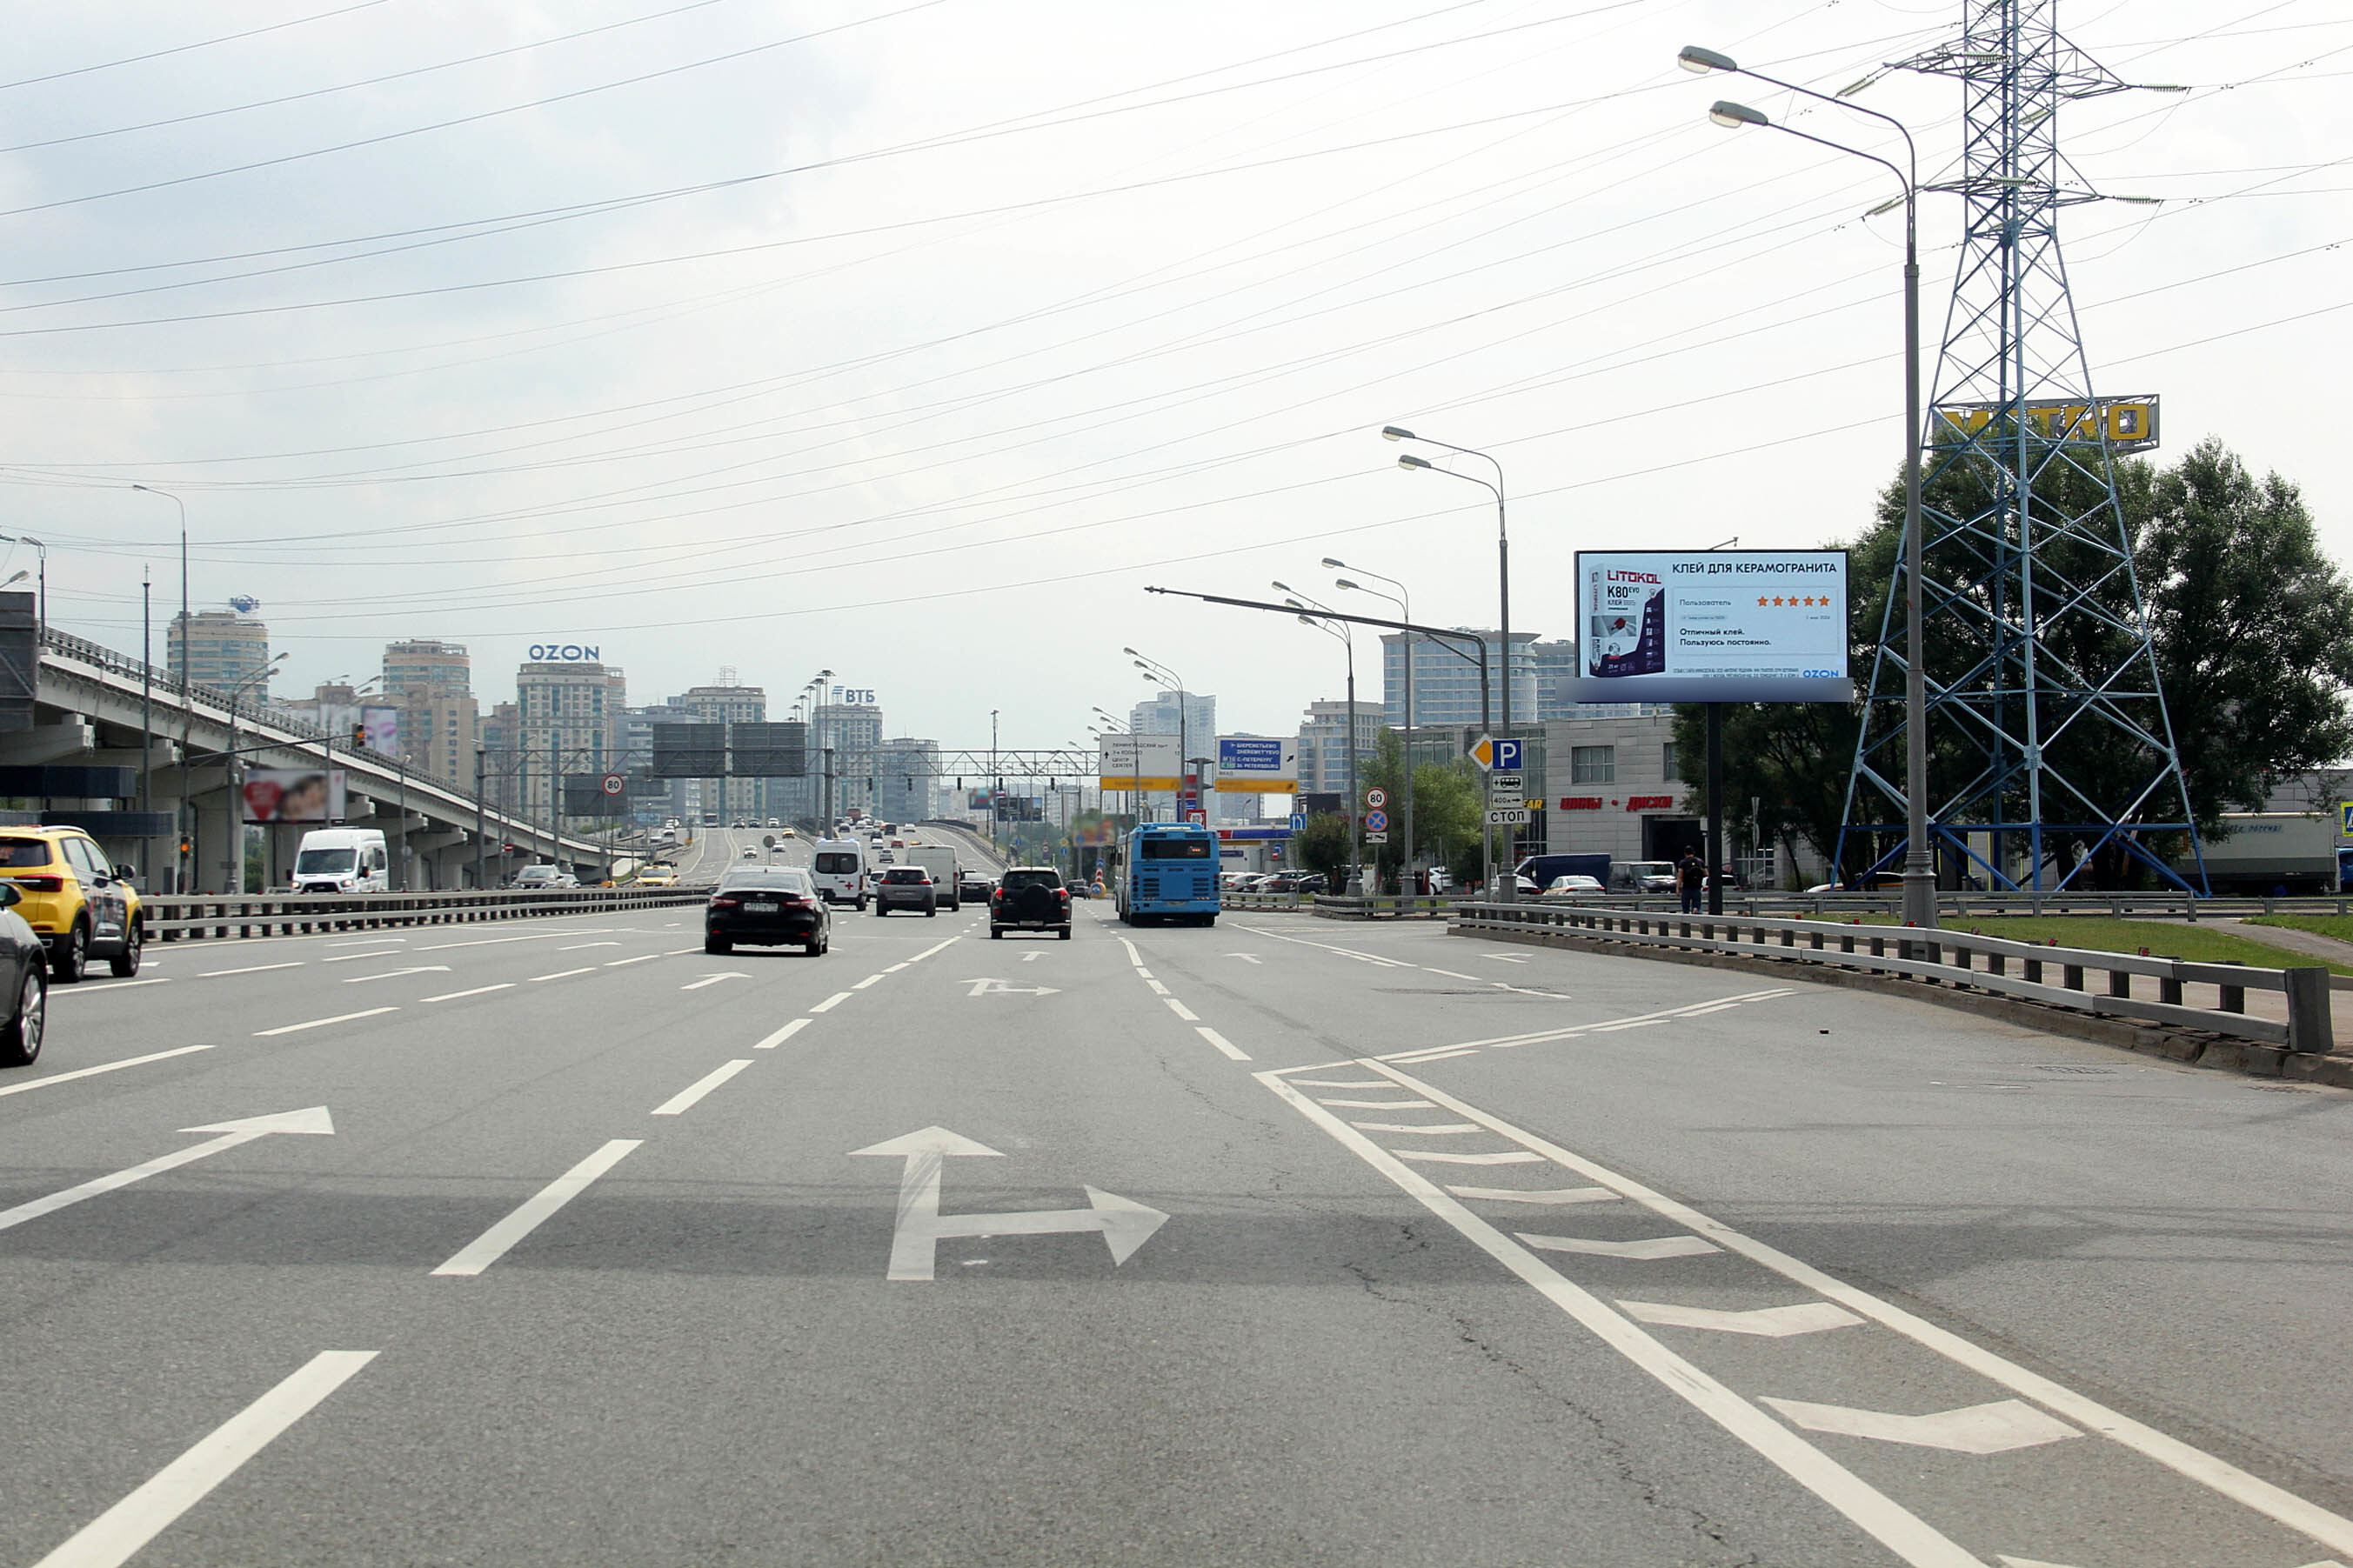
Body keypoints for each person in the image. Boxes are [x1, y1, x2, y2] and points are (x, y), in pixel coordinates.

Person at [1676, 848, 1705, 914]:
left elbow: (1680, 877)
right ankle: (1696, 912)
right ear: (1693, 853)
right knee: (1697, 905)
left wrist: (1678, 888)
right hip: (1697, 887)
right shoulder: (1700, 861)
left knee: (1686, 908)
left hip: (1686, 887)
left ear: (1685, 853)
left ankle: (1687, 921)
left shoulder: (1683, 862)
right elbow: (1706, 873)